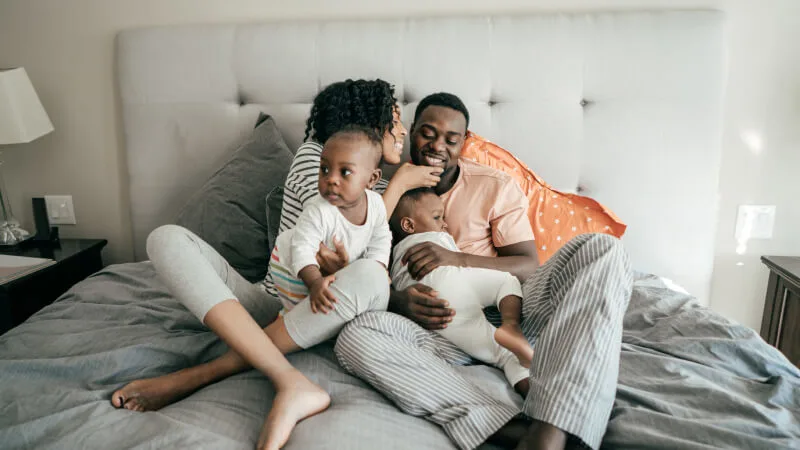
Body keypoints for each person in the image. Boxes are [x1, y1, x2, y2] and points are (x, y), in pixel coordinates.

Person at [110, 79, 441, 450]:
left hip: (334, 305)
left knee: (371, 276)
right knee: (165, 238)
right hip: (280, 299)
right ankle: (288, 379)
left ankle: (203, 375)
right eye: (393, 119)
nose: (400, 131)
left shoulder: (377, 186)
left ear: (371, 174)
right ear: (367, 121)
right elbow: (311, 238)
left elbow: (377, 251)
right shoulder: (315, 161)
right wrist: (396, 187)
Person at [334, 92, 633, 450]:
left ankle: (549, 432)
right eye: (428, 133)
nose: (437, 146)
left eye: (451, 139)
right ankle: (509, 428)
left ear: (464, 142)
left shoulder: (494, 185)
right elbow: (356, 266)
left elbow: (526, 266)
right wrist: (398, 302)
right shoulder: (383, 190)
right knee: (354, 334)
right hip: (436, 327)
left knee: (602, 249)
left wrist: (457, 259)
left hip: (511, 311)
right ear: (413, 133)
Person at [388, 188, 533, 391]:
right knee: (507, 282)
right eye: (437, 217)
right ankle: (510, 324)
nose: (445, 224)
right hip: (439, 288)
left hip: (449, 282)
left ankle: (510, 330)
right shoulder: (417, 244)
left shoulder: (396, 253)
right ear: (408, 225)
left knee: (505, 354)